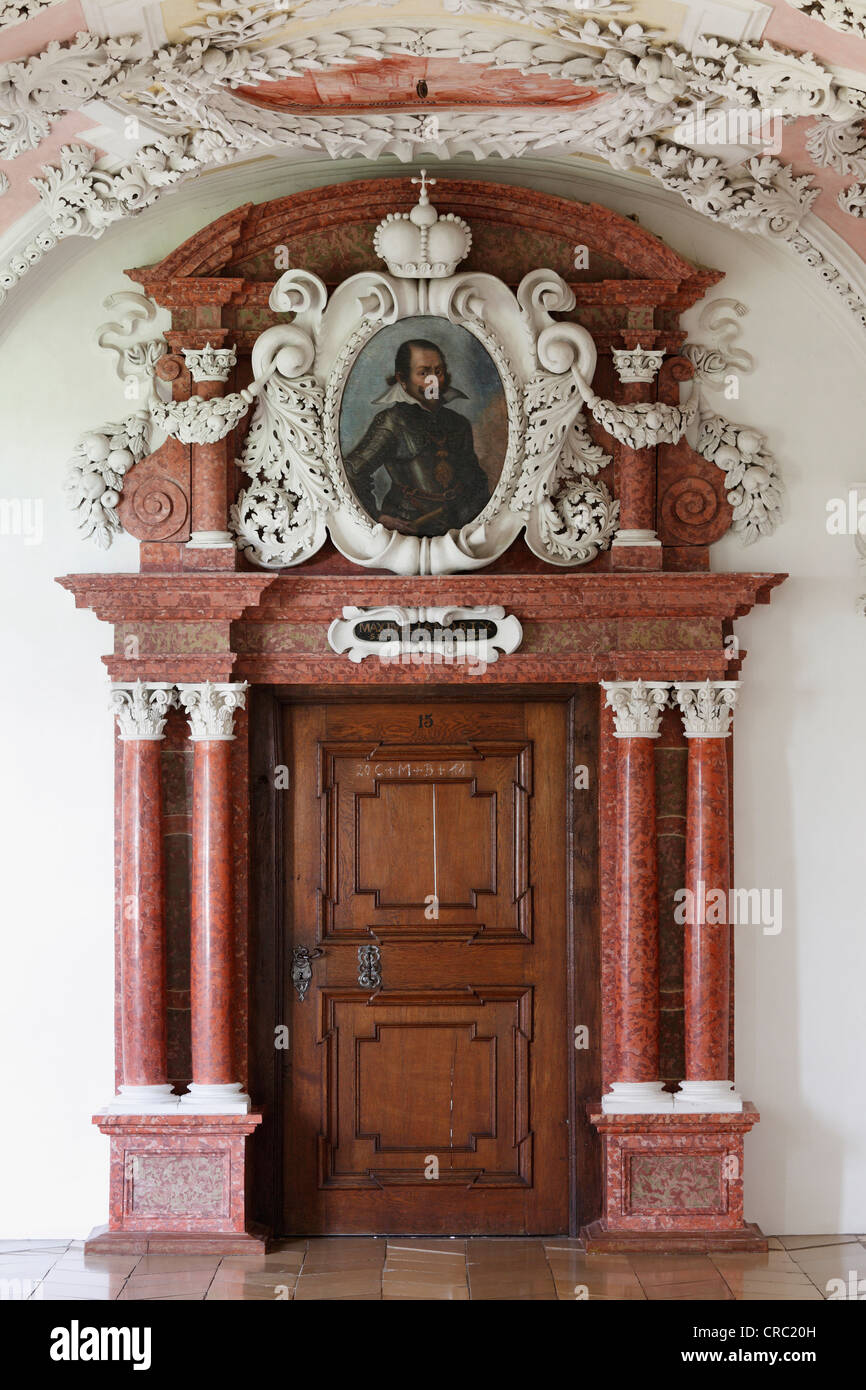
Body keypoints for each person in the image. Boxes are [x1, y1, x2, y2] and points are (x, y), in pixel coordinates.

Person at [344, 338, 491, 536]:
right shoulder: (391, 422)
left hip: (458, 523)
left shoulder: (458, 422)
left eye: (437, 371)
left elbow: (474, 477)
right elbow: (352, 472)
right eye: (424, 373)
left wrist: (478, 515)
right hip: (408, 524)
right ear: (402, 379)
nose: (433, 381)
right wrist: (377, 516)